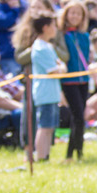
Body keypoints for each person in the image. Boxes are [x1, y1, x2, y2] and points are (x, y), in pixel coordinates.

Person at [57, 1, 92, 159]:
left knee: (80, 117)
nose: (75, 16)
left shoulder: (84, 36)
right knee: (77, 116)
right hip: (68, 81)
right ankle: (72, 153)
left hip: (83, 80)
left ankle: (77, 151)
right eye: (72, 13)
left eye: (78, 13)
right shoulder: (62, 36)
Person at [27, 14, 62, 161]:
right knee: (44, 126)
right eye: (53, 25)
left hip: (52, 92)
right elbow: (55, 70)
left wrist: (60, 67)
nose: (56, 29)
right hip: (45, 93)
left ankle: (45, 155)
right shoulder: (40, 48)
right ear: (45, 28)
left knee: (50, 127)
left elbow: (59, 65)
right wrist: (61, 68)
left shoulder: (47, 46)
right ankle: (41, 156)